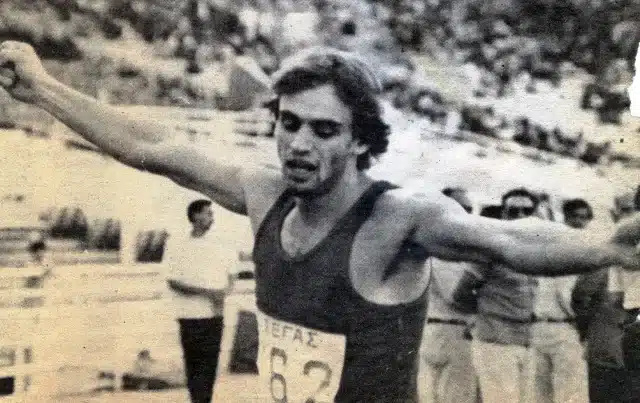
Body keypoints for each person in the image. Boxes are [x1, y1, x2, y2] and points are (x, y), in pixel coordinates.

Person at [2, 42, 640, 402]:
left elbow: (504, 238)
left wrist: (606, 247)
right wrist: (42, 89)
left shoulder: (396, 217)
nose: (299, 145)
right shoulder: (264, 194)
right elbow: (155, 149)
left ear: (361, 141)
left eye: (324, 130)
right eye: (290, 123)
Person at [454, 188, 540, 403]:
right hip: (496, 342)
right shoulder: (489, 250)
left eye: (527, 211)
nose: (520, 216)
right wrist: (483, 314)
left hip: (528, 341)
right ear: (504, 214)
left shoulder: (536, 252)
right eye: (513, 211)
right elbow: (461, 293)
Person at [572, 192, 639, 403]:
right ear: (614, 214)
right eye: (627, 210)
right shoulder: (603, 254)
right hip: (608, 353)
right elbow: (581, 298)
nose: (633, 217)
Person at [418, 187, 479, 403]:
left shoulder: (430, 245)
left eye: (469, 209)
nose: (466, 214)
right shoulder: (446, 250)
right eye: (461, 208)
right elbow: (456, 297)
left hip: (432, 330)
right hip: (452, 331)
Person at [528, 199, 592, 403]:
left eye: (584, 218)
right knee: (544, 394)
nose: (579, 222)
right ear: (565, 218)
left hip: (561, 328)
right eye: (574, 217)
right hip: (547, 327)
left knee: (566, 393)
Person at [164, 199, 228, 403]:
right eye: (208, 213)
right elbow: (173, 281)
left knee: (209, 367)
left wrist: (221, 296)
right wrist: (208, 293)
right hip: (189, 315)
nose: (212, 218)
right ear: (195, 216)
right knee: (193, 365)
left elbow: (232, 273)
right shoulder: (177, 243)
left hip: (213, 316)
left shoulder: (219, 244)